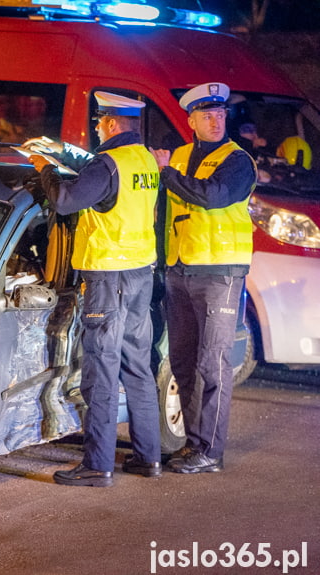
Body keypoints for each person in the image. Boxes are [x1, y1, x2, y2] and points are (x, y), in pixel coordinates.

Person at [26, 91, 162, 487]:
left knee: (101, 370)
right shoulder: (143, 159)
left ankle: (98, 465)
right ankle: (148, 457)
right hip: (139, 276)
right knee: (137, 367)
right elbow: (95, 169)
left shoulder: (109, 163)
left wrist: (43, 167)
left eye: (100, 122)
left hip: (108, 278)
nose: (96, 127)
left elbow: (66, 199)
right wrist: (60, 151)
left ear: (113, 125)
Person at [149, 82, 257, 474]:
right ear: (191, 120)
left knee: (213, 364)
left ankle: (210, 451)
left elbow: (213, 196)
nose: (216, 121)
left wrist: (168, 173)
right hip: (180, 270)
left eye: (221, 114)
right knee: (182, 362)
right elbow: (165, 215)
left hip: (220, 273)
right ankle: (192, 445)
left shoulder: (238, 160)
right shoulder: (178, 155)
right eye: (207, 115)